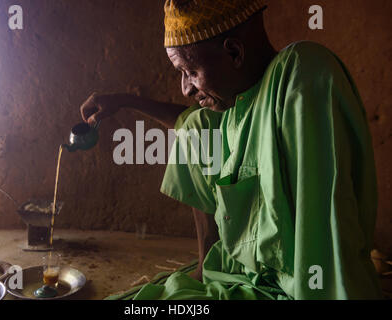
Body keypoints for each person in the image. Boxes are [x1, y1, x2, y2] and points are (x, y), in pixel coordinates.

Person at [80, 0, 383, 299]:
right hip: (240, 277)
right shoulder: (235, 105)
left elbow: (321, 221)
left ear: (235, 52)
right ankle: (205, 268)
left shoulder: (301, 74)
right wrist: (124, 101)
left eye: (189, 71)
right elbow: (189, 122)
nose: (185, 88)